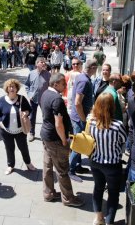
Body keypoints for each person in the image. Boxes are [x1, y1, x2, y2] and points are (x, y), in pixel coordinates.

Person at [40, 73, 84, 207]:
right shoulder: (56, 99)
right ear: (55, 84)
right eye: (63, 84)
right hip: (55, 139)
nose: (65, 86)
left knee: (47, 166)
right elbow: (58, 123)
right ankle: (68, 198)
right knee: (62, 170)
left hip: (46, 136)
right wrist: (64, 140)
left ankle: (48, 193)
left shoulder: (45, 93)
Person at [88, 93, 126, 225]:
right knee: (113, 194)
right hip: (112, 165)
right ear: (112, 107)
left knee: (98, 189)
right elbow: (123, 142)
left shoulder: (91, 122)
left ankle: (98, 218)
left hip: (95, 162)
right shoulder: (118, 125)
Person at [0, 79, 36, 175]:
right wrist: (0, 123)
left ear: (17, 88)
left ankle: (28, 163)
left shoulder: (22, 99)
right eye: (10, 87)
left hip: (20, 130)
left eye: (14, 87)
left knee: (23, 147)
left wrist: (26, 113)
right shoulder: (2, 100)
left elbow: (29, 110)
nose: (12, 88)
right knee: (9, 148)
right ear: (7, 89)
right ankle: (10, 165)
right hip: (6, 131)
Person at [69, 59, 98, 182]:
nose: (97, 70)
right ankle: (70, 170)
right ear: (92, 67)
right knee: (78, 145)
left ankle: (78, 166)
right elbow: (77, 102)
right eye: (96, 67)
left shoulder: (83, 78)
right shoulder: (84, 80)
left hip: (80, 117)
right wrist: (82, 118)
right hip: (79, 118)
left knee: (79, 143)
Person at [25, 57, 51, 142]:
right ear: (37, 64)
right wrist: (29, 95)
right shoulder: (31, 73)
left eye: (44, 62)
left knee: (45, 116)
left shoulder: (47, 74)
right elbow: (27, 85)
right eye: (41, 62)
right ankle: (31, 133)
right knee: (32, 117)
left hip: (44, 99)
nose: (44, 63)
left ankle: (45, 134)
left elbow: (51, 86)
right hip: (33, 99)